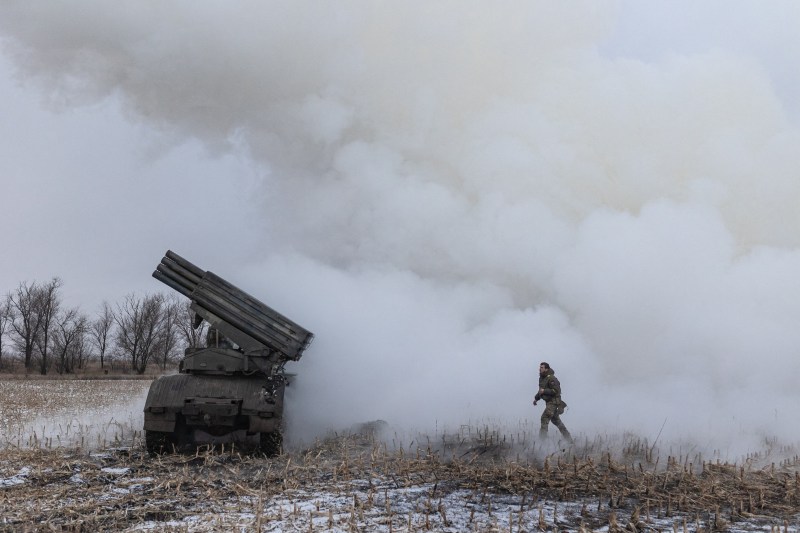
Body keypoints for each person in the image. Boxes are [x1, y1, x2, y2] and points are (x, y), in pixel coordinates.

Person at [533, 361, 573, 442]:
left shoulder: (551, 378)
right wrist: (536, 399)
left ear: (546, 369)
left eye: (542, 367)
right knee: (556, 421)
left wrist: (545, 391)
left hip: (553, 402)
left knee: (544, 418)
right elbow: (541, 391)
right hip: (549, 402)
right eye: (540, 367)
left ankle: (541, 443)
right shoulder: (542, 378)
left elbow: (556, 391)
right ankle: (570, 441)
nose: (539, 369)